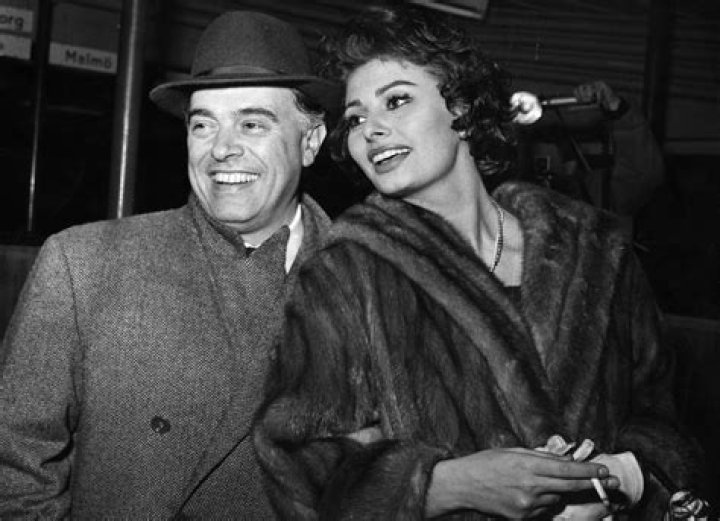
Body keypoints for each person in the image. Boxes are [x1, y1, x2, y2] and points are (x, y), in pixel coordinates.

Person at [254, 5, 709, 520]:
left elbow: (663, 420)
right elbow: (293, 460)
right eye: (356, 118)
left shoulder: (597, 255)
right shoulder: (344, 275)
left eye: (396, 101)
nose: (371, 130)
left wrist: (619, 477)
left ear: (463, 109)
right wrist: (444, 485)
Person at [0, 10, 336, 519]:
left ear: (310, 141)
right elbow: (14, 472)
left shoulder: (368, 286)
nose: (222, 148)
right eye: (203, 125)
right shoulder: (83, 265)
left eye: (251, 123)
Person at [517, 80, 665, 237]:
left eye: (552, 140)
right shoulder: (513, 198)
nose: (543, 156)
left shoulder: (598, 192)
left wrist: (618, 110)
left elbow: (642, 172)